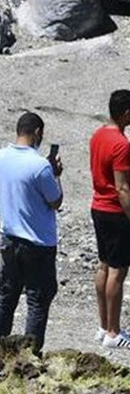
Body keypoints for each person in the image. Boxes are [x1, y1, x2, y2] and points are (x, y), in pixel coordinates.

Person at [89, 90, 130, 351]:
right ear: (126, 112)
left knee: (104, 265)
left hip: (98, 207)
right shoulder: (120, 145)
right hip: (115, 212)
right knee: (117, 270)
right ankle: (113, 331)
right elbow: (122, 188)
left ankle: (105, 326)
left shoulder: (99, 134)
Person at [0, 112, 63, 353]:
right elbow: (55, 201)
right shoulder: (39, 166)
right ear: (37, 133)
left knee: (7, 296)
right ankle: (30, 355)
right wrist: (55, 174)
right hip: (38, 243)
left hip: (9, 237)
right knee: (37, 301)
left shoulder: (2, 157)